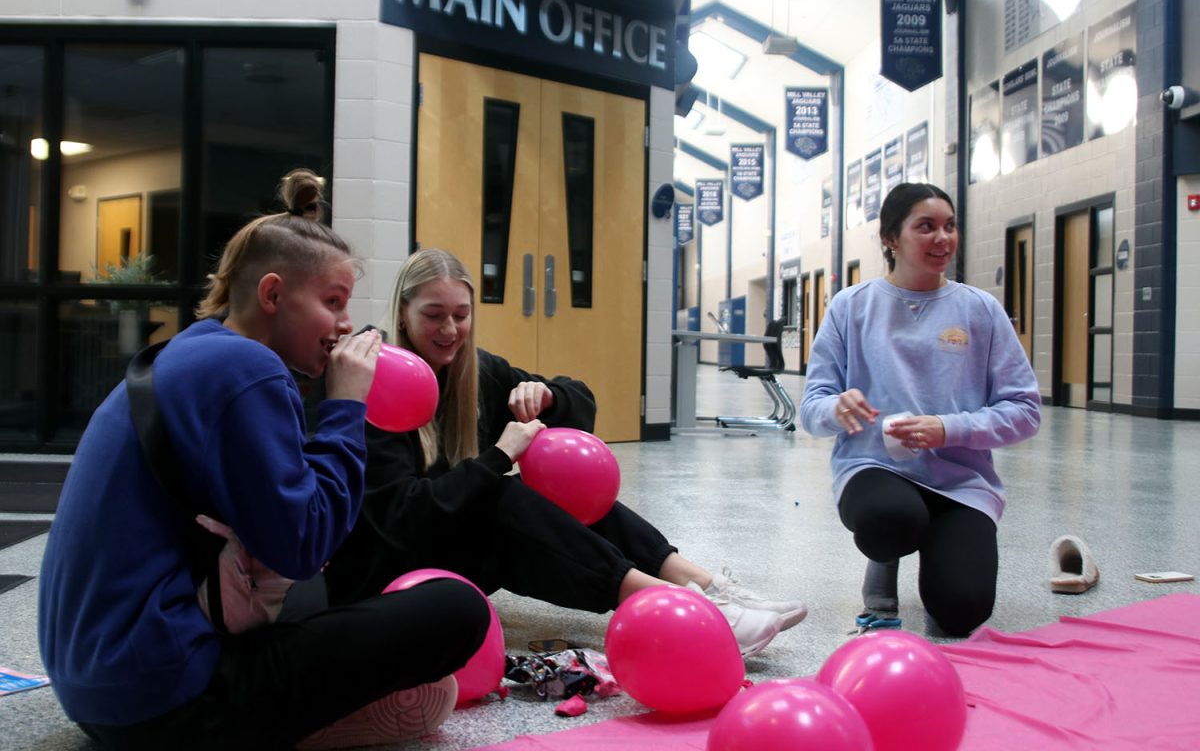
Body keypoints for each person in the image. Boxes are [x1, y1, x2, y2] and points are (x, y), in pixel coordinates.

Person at [39, 209, 489, 749]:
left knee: (327, 595)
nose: (346, 325)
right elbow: (303, 545)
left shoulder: (194, 349)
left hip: (95, 687)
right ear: (273, 295)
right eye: (333, 303)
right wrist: (346, 405)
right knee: (457, 610)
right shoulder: (250, 371)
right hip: (164, 702)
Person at [322, 247, 807, 657]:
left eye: (461, 315)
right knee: (499, 497)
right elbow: (402, 517)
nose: (450, 329)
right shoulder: (375, 379)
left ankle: (701, 583)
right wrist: (496, 458)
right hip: (388, 570)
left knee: (555, 487)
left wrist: (547, 396)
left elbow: (580, 402)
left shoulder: (475, 372)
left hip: (448, 552)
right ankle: (679, 608)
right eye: (433, 315)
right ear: (402, 313)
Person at [799, 183, 1040, 637]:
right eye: (925, 227)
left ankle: (941, 549)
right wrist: (838, 408)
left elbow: (1025, 410)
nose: (942, 238)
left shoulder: (980, 311)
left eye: (949, 226)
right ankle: (885, 560)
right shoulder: (851, 307)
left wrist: (948, 429)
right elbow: (812, 409)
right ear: (891, 238)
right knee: (890, 521)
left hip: (960, 484)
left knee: (961, 613)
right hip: (874, 468)